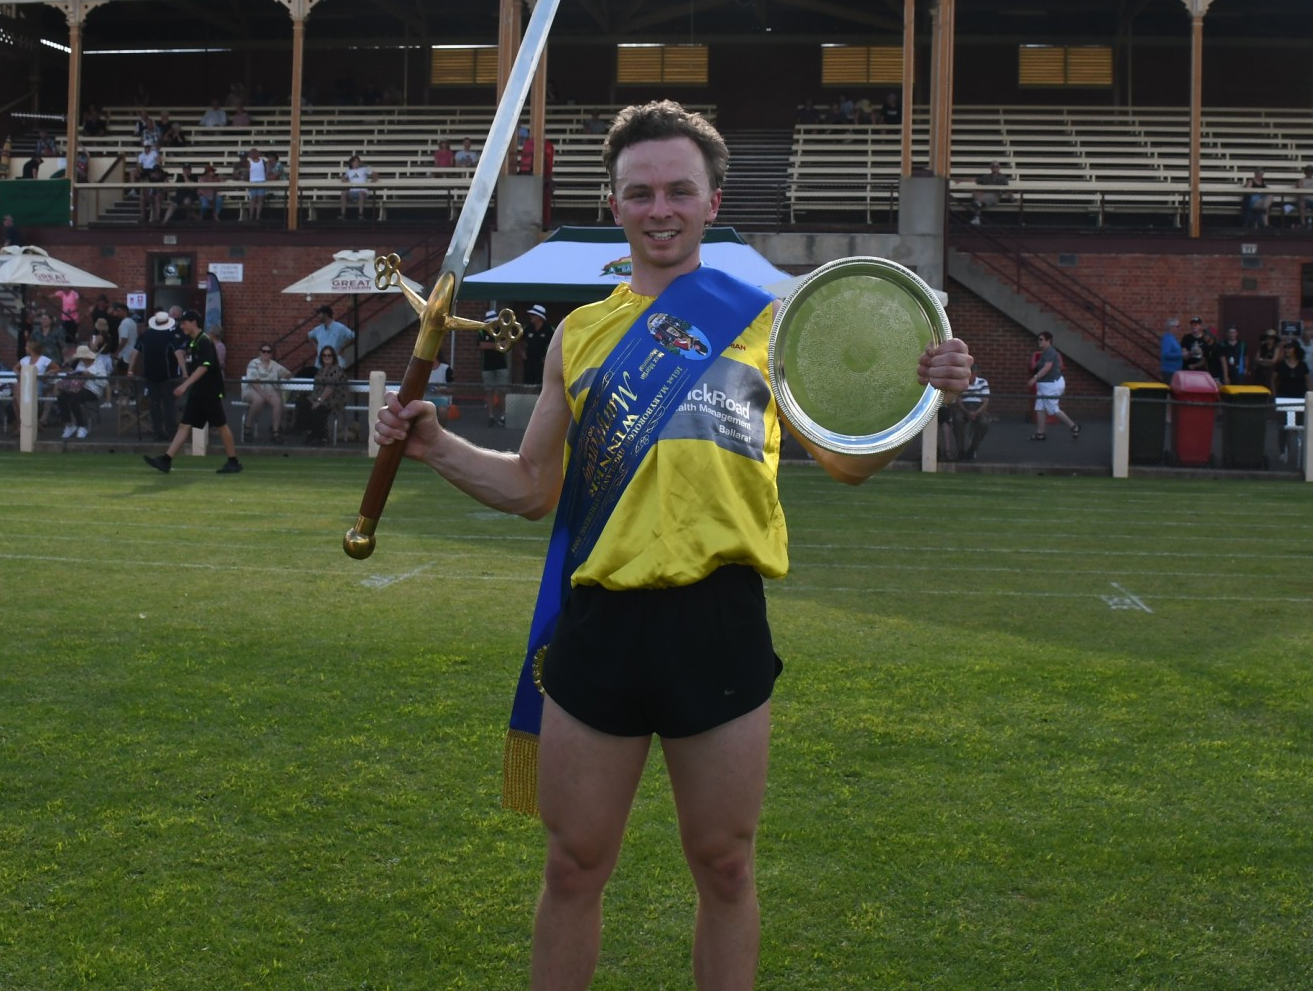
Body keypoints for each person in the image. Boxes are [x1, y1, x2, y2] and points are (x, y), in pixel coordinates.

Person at [371, 99, 972, 988]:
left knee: (725, 868)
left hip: (718, 621)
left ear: (712, 201)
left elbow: (845, 468)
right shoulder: (578, 336)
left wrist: (926, 399)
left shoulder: (767, 324)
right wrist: (435, 447)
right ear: (613, 203)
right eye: (640, 191)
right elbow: (535, 487)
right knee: (574, 867)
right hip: (600, 626)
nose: (661, 208)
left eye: (679, 190)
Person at [143, 310, 241, 473]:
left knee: (221, 425)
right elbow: (180, 351)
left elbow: (205, 366)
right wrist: (181, 359)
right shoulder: (193, 341)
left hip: (209, 391)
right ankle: (166, 460)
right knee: (184, 425)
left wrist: (185, 384)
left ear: (194, 323)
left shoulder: (204, 341)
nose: (182, 326)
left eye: (184, 323)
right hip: (198, 392)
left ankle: (233, 461)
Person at [136, 311, 185, 439]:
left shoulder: (145, 335)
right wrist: (184, 372)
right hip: (167, 376)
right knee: (169, 404)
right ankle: (171, 432)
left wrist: (130, 369)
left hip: (150, 375)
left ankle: (158, 432)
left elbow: (135, 352)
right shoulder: (170, 336)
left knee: (155, 404)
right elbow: (178, 353)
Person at [1028, 329, 1080, 441]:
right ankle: (1040, 433)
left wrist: (1035, 378)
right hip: (1044, 385)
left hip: (1051, 385)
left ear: (1048, 340)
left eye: (1041, 339)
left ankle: (1074, 426)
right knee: (1040, 407)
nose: (1039, 342)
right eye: (1038, 340)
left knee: (1053, 409)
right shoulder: (1045, 352)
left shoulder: (1050, 352)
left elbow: (1047, 367)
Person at [242, 343, 291, 443]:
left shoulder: (275, 365)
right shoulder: (253, 363)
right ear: (260, 352)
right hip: (252, 390)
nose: (266, 353)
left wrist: (286, 375)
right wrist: (264, 394)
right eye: (263, 351)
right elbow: (253, 382)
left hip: (269, 390)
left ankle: (275, 432)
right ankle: (247, 427)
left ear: (271, 354)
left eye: (268, 351)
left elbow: (287, 373)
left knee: (277, 401)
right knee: (259, 399)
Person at [946, 361, 993, 460]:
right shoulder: (961, 382)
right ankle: (961, 450)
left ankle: (973, 449)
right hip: (964, 407)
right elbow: (959, 400)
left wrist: (976, 412)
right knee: (957, 419)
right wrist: (968, 412)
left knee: (984, 422)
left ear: (975, 374)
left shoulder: (982, 382)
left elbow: (985, 401)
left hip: (978, 407)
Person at [1272, 339, 1310, 461]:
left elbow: (1308, 382)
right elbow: (1273, 381)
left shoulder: (1302, 365)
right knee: (1283, 427)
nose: (1287, 350)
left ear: (1295, 350)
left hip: (1299, 399)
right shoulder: (1280, 365)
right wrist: (1274, 396)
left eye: (1290, 348)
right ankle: (1283, 451)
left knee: (1301, 426)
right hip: (1284, 398)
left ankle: (1303, 453)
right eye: (1286, 348)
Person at [481, 306, 510, 426]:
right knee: (489, 391)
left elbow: (506, 345)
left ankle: (503, 416)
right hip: (487, 366)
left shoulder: (502, 331)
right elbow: (482, 346)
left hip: (501, 365)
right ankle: (491, 416)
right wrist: (497, 345)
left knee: (501, 391)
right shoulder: (482, 331)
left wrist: (492, 345)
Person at [519, 304, 552, 389]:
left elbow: (554, 345)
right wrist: (522, 352)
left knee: (541, 384)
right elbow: (519, 340)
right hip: (529, 360)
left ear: (539, 317)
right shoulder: (527, 328)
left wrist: (548, 357)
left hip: (541, 362)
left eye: (533, 315)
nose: (531, 317)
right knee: (527, 383)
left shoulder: (549, 329)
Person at [969, 161, 1009, 226]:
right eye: (993, 166)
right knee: (976, 192)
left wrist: (1014, 200)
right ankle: (977, 214)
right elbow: (975, 180)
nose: (995, 168)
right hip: (985, 195)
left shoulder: (1003, 178)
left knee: (979, 200)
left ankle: (977, 209)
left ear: (999, 168)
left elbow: (1008, 190)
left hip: (995, 196)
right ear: (991, 168)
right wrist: (961, 180)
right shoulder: (986, 177)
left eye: (996, 167)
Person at [343, 155, 374, 220]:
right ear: (352, 163)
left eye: (358, 161)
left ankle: (360, 214)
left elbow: (375, 174)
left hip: (363, 192)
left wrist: (374, 180)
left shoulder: (364, 169)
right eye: (355, 161)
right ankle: (343, 214)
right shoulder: (349, 171)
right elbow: (343, 178)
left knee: (361, 193)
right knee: (344, 193)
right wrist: (346, 181)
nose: (357, 162)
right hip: (352, 192)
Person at [244, 147, 271, 220]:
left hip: (261, 181)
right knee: (253, 199)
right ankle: (251, 216)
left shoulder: (263, 161)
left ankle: (257, 216)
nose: (253, 155)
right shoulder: (249, 162)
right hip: (252, 182)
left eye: (254, 153)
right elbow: (247, 172)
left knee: (260, 199)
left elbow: (267, 170)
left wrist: (265, 177)